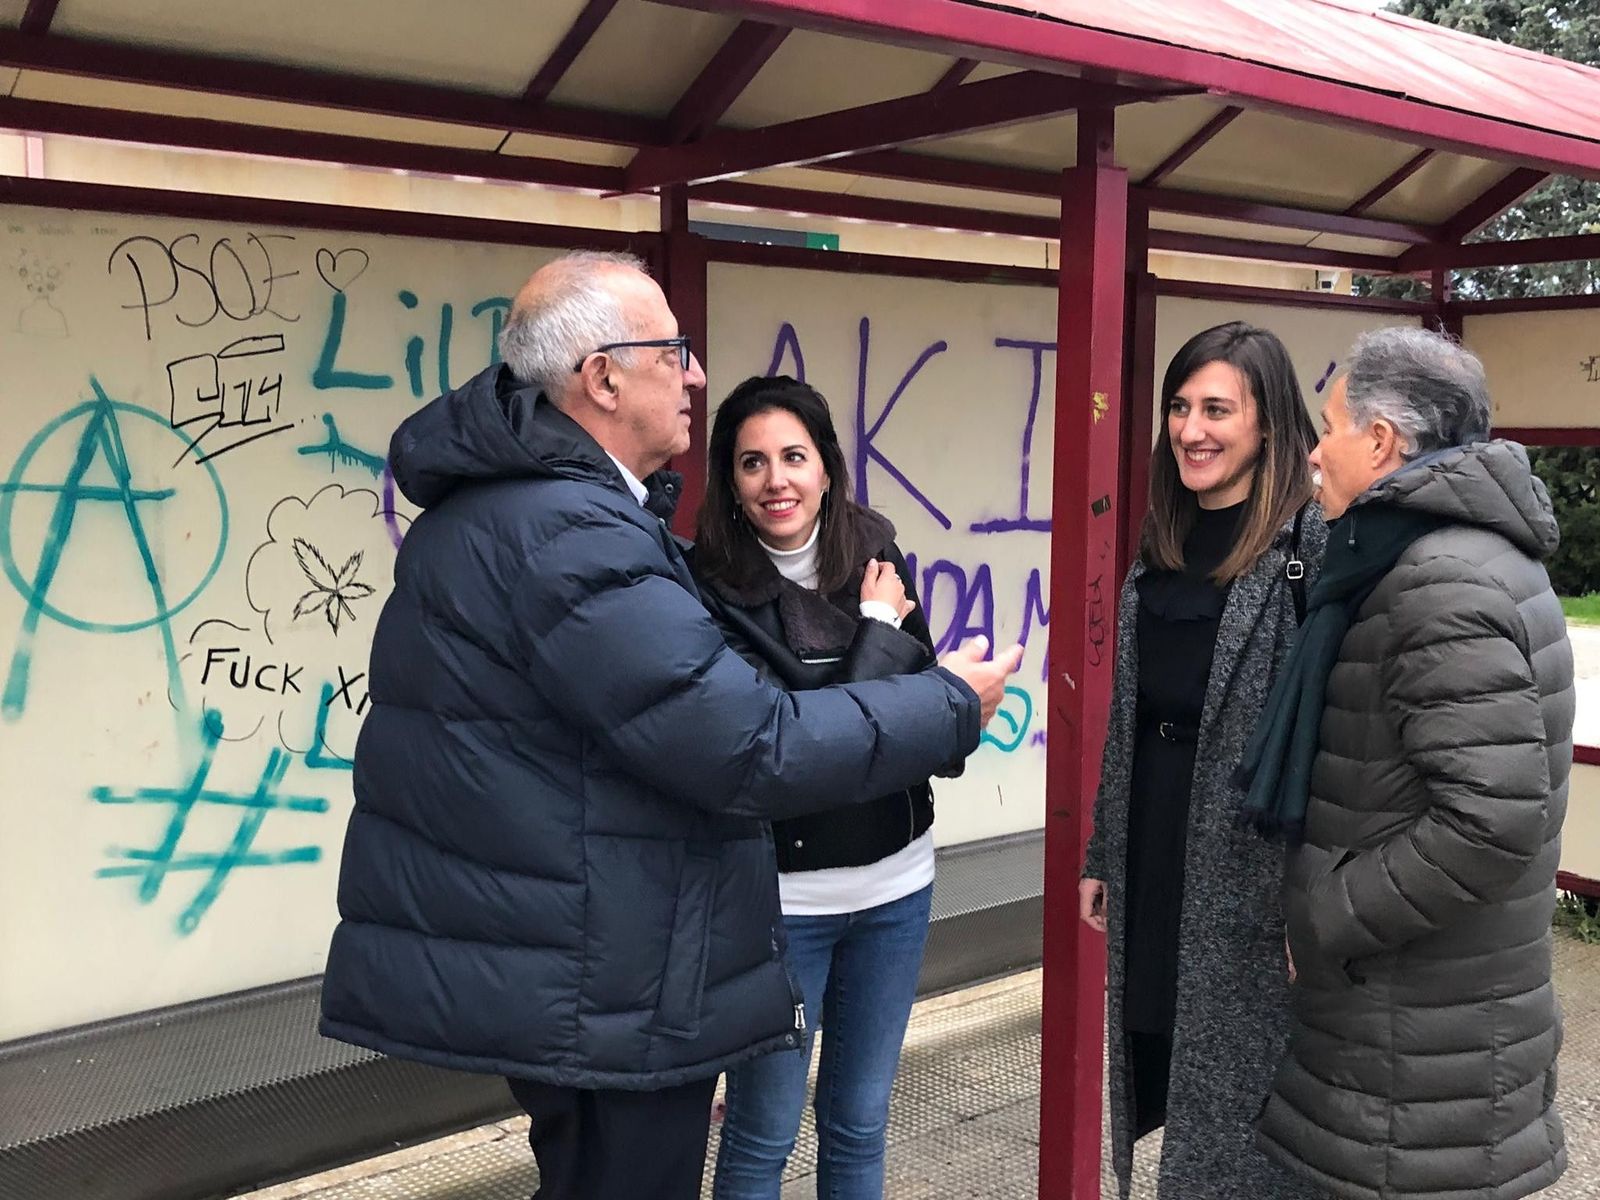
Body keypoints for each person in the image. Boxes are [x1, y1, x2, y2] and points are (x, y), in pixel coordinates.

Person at [317, 250, 1023, 1200]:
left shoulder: (534, 511)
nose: (694, 372)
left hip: (590, 958)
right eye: (673, 350)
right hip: (607, 972)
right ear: (603, 376)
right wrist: (941, 697)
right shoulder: (573, 533)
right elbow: (752, 744)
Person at [1241, 327, 1570, 1200]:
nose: (1314, 452)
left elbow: (1491, 824)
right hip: (1425, 1023)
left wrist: (1327, 912)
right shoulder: (1441, 556)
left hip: (1421, 1035)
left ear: (1382, 441)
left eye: (1330, 425)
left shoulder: (1440, 580)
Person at [1080, 321, 1329, 1199]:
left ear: (1270, 424)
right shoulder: (1163, 540)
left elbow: (1344, 735)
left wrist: (1320, 893)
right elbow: (1128, 713)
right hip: (1159, 835)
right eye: (1180, 408)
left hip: (1255, 858)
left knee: (1249, 1087)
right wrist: (1105, 851)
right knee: (1170, 1048)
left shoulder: (1314, 545)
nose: (1191, 428)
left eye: (1218, 408)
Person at [687, 376, 942, 1200]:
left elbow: (928, 719)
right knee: (763, 1134)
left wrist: (874, 692)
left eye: (794, 456)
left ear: (827, 467)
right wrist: (875, 639)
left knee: (860, 1122)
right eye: (752, 463)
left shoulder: (877, 553)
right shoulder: (706, 589)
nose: (776, 481)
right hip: (780, 909)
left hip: (896, 890)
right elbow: (778, 750)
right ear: (729, 481)